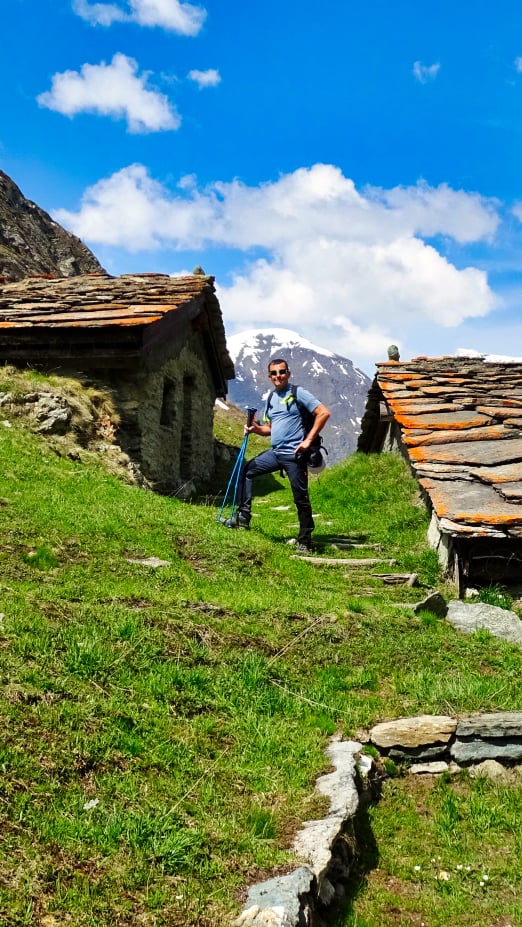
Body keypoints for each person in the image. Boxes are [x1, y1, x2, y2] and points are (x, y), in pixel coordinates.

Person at [229, 358, 330, 552]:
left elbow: (323, 412)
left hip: (295, 455)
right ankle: (243, 516)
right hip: (276, 453)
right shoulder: (271, 398)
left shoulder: (298, 393)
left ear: (288, 374)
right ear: (269, 376)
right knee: (248, 470)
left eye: (282, 372)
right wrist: (254, 429)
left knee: (300, 497)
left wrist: (308, 441)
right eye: (274, 373)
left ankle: (305, 540)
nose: (278, 376)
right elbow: (270, 428)